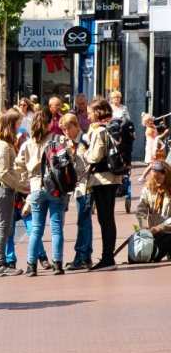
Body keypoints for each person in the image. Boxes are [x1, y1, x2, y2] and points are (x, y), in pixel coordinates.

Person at [16, 112, 68, 275]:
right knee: (56, 228)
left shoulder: (27, 144)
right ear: (48, 125)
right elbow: (67, 161)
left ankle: (31, 265)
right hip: (54, 186)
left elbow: (18, 165)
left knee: (36, 228)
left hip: (36, 187)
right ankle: (58, 263)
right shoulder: (56, 141)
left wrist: (27, 181)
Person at [0, 110, 27, 278]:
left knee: (3, 228)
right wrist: (21, 186)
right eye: (17, 124)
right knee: (3, 228)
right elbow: (3, 172)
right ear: (11, 125)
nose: (19, 127)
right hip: (2, 188)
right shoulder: (2, 146)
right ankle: (0, 265)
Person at [84, 97, 120, 270]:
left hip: (102, 179)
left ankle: (107, 257)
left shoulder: (99, 131)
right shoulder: (108, 127)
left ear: (97, 113)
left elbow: (95, 156)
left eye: (90, 112)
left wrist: (84, 153)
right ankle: (108, 255)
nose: (88, 115)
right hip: (111, 177)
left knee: (105, 218)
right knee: (107, 218)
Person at [59, 112, 93, 271]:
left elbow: (88, 163)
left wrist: (74, 154)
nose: (65, 133)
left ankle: (81, 257)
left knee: (83, 222)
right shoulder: (69, 141)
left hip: (86, 185)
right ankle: (85, 256)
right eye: (63, 130)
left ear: (74, 126)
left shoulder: (84, 140)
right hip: (78, 186)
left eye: (67, 129)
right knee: (83, 221)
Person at [136, 159, 171, 259]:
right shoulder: (148, 189)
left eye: (160, 176)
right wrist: (144, 227)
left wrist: (160, 227)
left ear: (167, 175)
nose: (157, 180)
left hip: (167, 231)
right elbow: (140, 210)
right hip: (155, 233)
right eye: (155, 177)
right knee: (150, 256)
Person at [108, 89, 134, 213]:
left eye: (118, 97)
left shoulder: (124, 108)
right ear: (111, 99)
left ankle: (124, 180)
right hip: (111, 135)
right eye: (115, 98)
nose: (117, 100)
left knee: (124, 157)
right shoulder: (109, 108)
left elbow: (129, 121)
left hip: (122, 137)